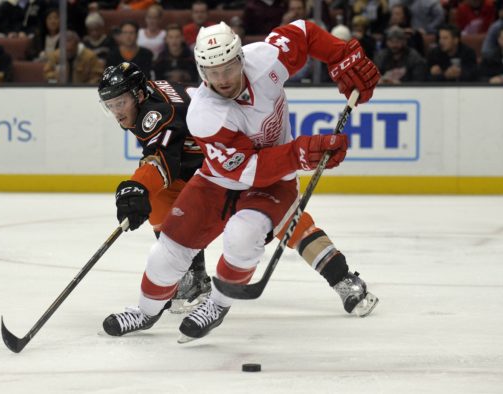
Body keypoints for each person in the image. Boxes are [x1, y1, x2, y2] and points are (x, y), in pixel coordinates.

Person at [102, 20, 380, 342]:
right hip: (220, 179)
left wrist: (341, 55)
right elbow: (246, 168)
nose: (222, 80)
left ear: (240, 59)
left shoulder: (265, 58)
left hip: (273, 183)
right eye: (212, 72)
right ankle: (145, 311)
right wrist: (301, 153)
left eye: (228, 68)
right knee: (166, 251)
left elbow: (304, 32)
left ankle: (217, 304)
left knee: (243, 235)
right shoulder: (204, 113)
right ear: (201, 71)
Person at [97, 62, 211, 312]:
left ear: (138, 95)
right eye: (110, 105)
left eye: (120, 103)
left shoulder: (156, 113)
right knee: (161, 202)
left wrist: (137, 186)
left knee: (269, 217)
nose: (116, 112)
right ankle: (193, 276)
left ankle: (194, 277)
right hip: (197, 160)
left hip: (225, 162)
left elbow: (163, 160)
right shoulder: (146, 95)